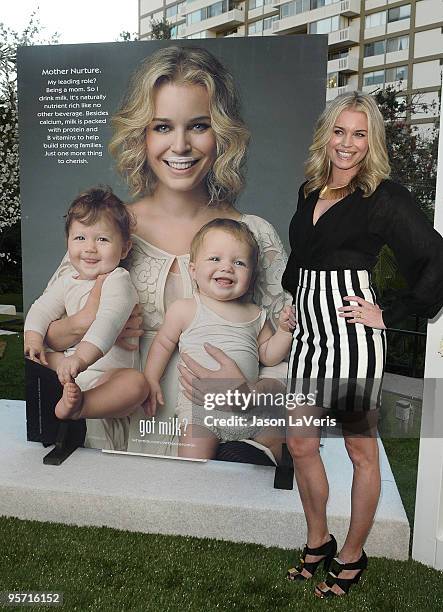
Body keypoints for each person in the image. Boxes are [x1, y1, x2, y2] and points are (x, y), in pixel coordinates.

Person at [44, 46, 289, 457]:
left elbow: (289, 359)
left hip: (220, 443)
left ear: (221, 134)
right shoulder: (109, 231)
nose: (180, 145)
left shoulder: (253, 236)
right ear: (141, 133)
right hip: (116, 440)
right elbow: (45, 339)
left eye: (198, 125)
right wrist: (90, 320)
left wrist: (249, 394)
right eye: (161, 127)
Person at [281, 91, 443, 597]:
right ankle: (318, 541)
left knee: (359, 450)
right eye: (339, 131)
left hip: (351, 340)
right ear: (325, 133)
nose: (347, 144)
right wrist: (293, 297)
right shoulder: (310, 188)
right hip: (307, 336)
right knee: (300, 443)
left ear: (371, 140)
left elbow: (435, 259)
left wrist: (388, 312)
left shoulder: (383, 196)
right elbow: (303, 256)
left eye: (359, 133)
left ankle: (352, 556)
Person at [143, 218, 295, 459]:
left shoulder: (256, 314)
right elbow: (162, 344)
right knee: (192, 460)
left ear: (252, 276)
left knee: (279, 441)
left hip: (249, 410)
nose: (227, 267)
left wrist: (285, 332)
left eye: (239, 262)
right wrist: (150, 380)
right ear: (193, 270)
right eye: (215, 259)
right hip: (201, 410)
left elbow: (269, 354)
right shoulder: (187, 308)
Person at [24, 187, 149, 448]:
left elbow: (107, 322)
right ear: (68, 242)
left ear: (124, 248)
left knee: (136, 384)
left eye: (103, 240)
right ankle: (69, 401)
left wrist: (79, 358)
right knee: (37, 358)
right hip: (70, 370)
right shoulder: (67, 280)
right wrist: (33, 338)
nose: (90, 248)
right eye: (80, 238)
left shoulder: (117, 280)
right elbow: (41, 308)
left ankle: (82, 405)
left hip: (108, 375)